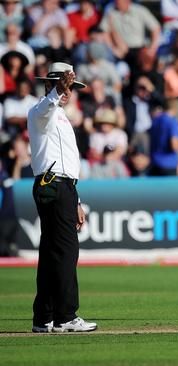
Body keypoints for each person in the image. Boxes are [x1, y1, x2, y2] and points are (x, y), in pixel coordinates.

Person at [27, 62, 96, 333]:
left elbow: (67, 161)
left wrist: (76, 200)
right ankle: (66, 316)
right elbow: (46, 108)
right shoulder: (39, 111)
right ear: (51, 85)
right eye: (65, 87)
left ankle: (44, 317)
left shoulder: (62, 117)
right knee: (66, 251)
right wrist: (57, 91)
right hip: (52, 184)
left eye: (70, 88)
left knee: (52, 254)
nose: (68, 93)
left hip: (63, 186)